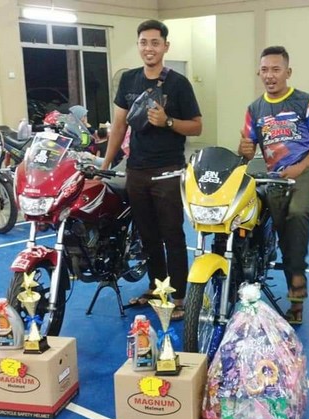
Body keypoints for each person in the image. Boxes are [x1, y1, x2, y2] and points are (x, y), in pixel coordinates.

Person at [101, 19, 202, 320]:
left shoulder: (178, 84)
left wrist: (168, 121)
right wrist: (105, 164)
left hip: (168, 171)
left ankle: (179, 296)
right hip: (137, 170)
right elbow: (119, 125)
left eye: (155, 43)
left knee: (172, 235)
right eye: (144, 42)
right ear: (138, 45)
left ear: (165, 47)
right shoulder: (129, 80)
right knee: (147, 236)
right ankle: (158, 288)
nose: (149, 48)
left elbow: (197, 126)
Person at [238, 46, 309, 325]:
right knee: (282, 234)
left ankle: (297, 293)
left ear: (287, 72)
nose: (270, 75)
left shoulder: (305, 101)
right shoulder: (254, 109)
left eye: (276, 69)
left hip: (307, 171)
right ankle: (280, 279)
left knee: (297, 213)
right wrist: (244, 149)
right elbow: (246, 150)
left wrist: (301, 167)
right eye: (264, 70)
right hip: (276, 177)